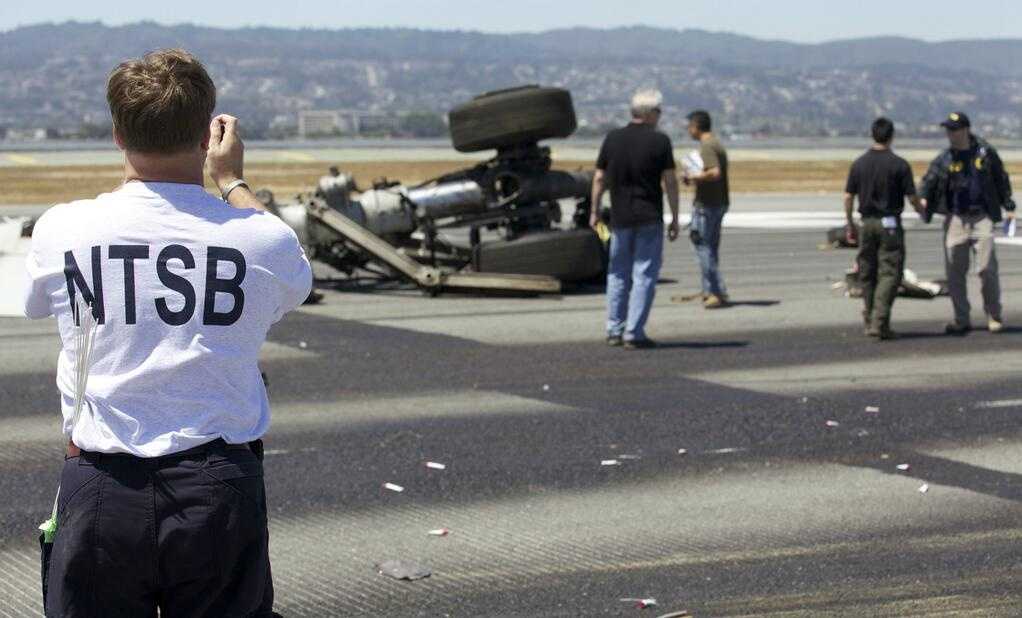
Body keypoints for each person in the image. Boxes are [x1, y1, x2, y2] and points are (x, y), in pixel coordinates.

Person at [21, 49, 311, 617]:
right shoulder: (259, 240)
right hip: (218, 487)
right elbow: (294, 271)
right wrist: (231, 182)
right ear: (208, 136)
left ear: (117, 135)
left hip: (100, 480)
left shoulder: (63, 228)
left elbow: (37, 304)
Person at [590, 89, 680, 349]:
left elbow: (599, 178)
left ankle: (613, 329)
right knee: (644, 275)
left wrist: (595, 212)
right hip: (649, 216)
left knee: (617, 273)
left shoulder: (613, 138)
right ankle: (634, 331)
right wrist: (674, 217)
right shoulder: (660, 141)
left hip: (619, 217)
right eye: (659, 112)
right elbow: (670, 182)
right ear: (651, 113)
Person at [919, 111, 1015, 335]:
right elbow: (929, 181)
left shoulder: (985, 153)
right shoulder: (945, 158)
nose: (950, 135)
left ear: (965, 130)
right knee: (954, 272)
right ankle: (961, 318)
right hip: (956, 218)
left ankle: (994, 315)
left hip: (982, 217)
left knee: (986, 269)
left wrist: (1007, 203)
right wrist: (923, 199)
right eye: (948, 131)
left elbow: (1001, 178)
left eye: (953, 130)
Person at [843, 117, 924, 340]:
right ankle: (879, 320)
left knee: (867, 272)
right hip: (889, 224)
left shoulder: (859, 163)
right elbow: (912, 196)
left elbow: (848, 196)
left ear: (873, 134)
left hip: (866, 223)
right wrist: (921, 211)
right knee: (890, 272)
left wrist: (850, 223)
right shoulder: (899, 164)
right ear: (892, 136)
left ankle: (870, 318)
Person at [682, 110, 730, 309]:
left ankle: (717, 291)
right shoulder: (716, 143)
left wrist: (693, 177)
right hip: (718, 202)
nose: (688, 130)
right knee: (710, 248)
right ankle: (709, 289)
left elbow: (714, 172)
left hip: (707, 205)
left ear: (696, 126)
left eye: (689, 126)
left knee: (702, 246)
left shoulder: (707, 146)